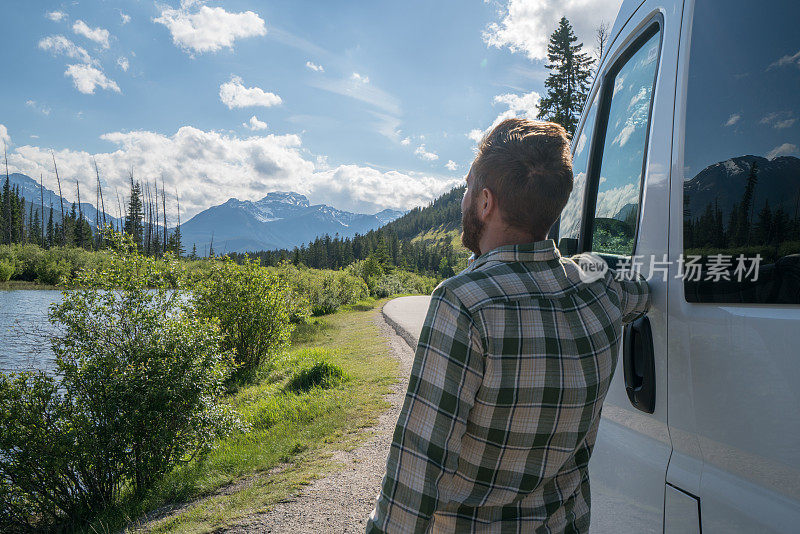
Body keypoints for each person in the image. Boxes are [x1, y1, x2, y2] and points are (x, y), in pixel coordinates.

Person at [366, 118, 651, 533]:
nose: (463, 200)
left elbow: (417, 471)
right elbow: (646, 290)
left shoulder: (463, 303)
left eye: (466, 190)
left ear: (485, 202)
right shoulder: (601, 288)